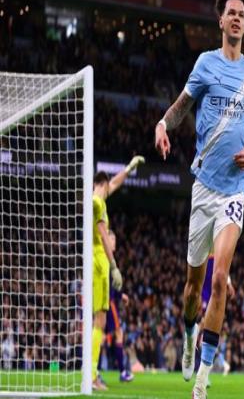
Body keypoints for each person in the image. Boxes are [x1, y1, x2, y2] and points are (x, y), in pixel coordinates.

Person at [154, 0, 244, 399]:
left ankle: (202, 377)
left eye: (242, 14)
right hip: (203, 188)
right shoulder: (205, 64)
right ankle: (188, 333)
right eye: (231, 13)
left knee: (220, 280)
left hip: (235, 190)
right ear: (220, 21)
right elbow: (181, 106)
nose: (236, 18)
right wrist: (163, 124)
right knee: (191, 289)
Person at [92, 156, 144, 390]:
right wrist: (113, 265)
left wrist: (129, 169)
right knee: (100, 321)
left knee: (98, 320)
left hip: (92, 261)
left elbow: (114, 183)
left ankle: (92, 372)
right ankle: (92, 374)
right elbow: (104, 235)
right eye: (107, 187)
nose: (109, 190)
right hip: (100, 262)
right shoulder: (98, 203)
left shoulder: (95, 199)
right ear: (101, 185)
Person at [103, 229, 134, 383]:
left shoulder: (106, 259)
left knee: (102, 335)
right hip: (109, 302)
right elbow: (109, 286)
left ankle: (94, 371)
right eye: (112, 239)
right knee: (118, 333)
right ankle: (122, 371)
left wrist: (121, 295)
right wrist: (119, 296)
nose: (114, 242)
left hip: (106, 300)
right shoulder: (108, 259)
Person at [199, 252, 235, 386]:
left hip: (213, 290)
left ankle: (205, 373)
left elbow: (223, 265)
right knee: (203, 333)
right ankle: (212, 368)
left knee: (206, 334)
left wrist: (228, 282)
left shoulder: (220, 245)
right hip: (204, 288)